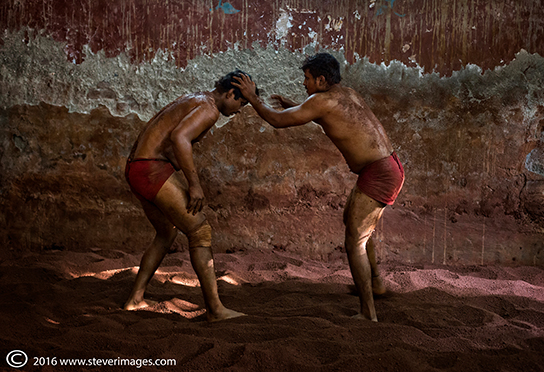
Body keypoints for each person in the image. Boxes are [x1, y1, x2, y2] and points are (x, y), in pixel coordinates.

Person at [233, 53, 404, 321]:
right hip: (388, 166)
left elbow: (278, 121)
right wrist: (297, 107)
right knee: (353, 222)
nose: (304, 83)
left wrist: (252, 97)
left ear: (322, 80)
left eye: (307, 78)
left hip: (379, 173)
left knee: (354, 243)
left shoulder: (321, 102)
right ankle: (376, 283)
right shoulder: (347, 93)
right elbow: (332, 115)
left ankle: (368, 313)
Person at [123, 70, 256, 322]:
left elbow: (169, 144)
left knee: (166, 233)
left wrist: (182, 180)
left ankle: (135, 299)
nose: (239, 110)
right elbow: (179, 138)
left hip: (136, 168)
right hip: (149, 169)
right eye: (241, 102)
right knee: (200, 232)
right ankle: (216, 310)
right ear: (230, 93)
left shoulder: (194, 99)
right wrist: (194, 184)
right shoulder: (210, 109)